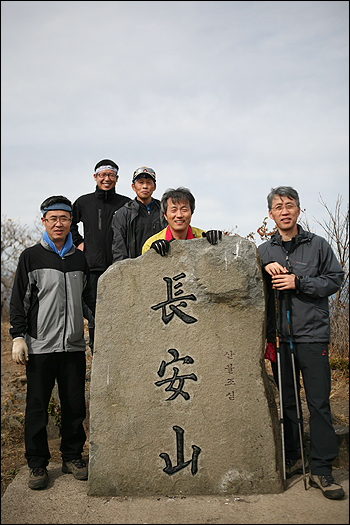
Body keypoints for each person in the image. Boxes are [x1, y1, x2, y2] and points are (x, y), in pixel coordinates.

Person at [258, 186, 345, 500]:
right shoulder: (263, 251)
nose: (284, 211)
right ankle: (294, 457)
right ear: (270, 214)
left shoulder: (318, 245)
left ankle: (322, 468)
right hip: (280, 339)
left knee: (319, 404)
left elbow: (336, 279)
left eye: (290, 205)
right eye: (278, 206)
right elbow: (254, 291)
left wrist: (299, 281)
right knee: (289, 403)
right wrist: (263, 270)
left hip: (312, 336)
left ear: (298, 210)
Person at [9, 195, 96, 490]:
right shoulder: (31, 257)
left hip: (72, 345)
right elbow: (19, 301)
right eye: (53, 218)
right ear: (44, 221)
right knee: (37, 407)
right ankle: (37, 464)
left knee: (74, 405)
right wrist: (18, 336)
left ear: (72, 222)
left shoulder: (79, 259)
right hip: (39, 346)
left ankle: (72, 456)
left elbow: (89, 300)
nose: (59, 223)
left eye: (64, 218)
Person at [70, 159, 130, 353]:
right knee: (95, 311)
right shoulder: (83, 202)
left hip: (118, 265)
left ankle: (121, 351)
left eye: (111, 175)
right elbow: (70, 223)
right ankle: (98, 352)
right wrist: (78, 242)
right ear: (95, 177)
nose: (106, 179)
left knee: (120, 310)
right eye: (102, 175)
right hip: (92, 265)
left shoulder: (125, 203)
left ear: (117, 178)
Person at [142, 187, 222, 255]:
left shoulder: (204, 238)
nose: (179, 215)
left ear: (191, 213)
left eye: (184, 210)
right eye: (174, 210)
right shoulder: (150, 244)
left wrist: (219, 243)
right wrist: (152, 254)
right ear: (165, 216)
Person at [111, 166, 167, 261]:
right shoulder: (123, 213)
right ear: (133, 186)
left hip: (161, 264)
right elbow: (118, 247)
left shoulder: (164, 210)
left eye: (149, 182)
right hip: (135, 267)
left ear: (154, 187)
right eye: (140, 182)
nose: (145, 186)